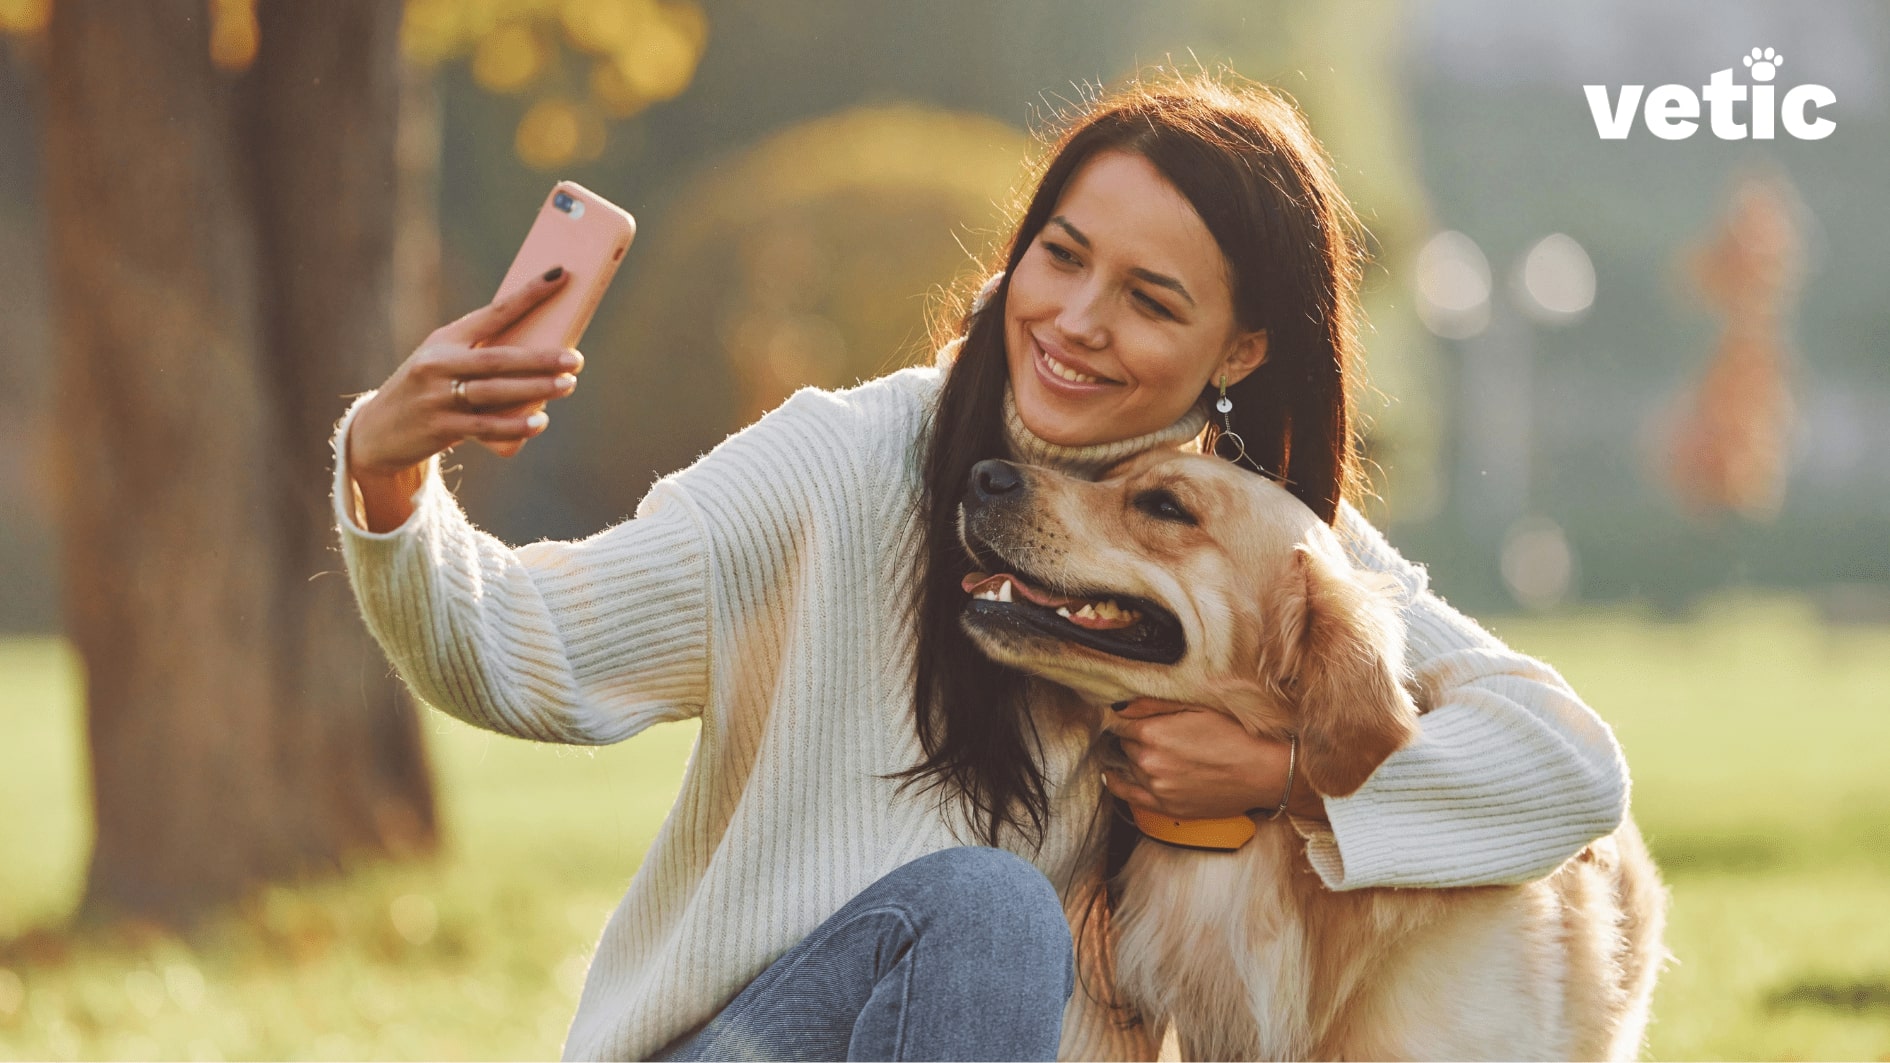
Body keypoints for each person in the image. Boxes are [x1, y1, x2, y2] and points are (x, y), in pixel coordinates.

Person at [333, 75, 1627, 1062]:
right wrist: (389, 478)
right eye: (1060, 257)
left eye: (1150, 299)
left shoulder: (1235, 541)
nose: (1074, 320)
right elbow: (523, 650)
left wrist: (1285, 774)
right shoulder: (839, 465)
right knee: (990, 912)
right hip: (734, 1045)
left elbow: (1567, 769)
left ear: (1239, 353)